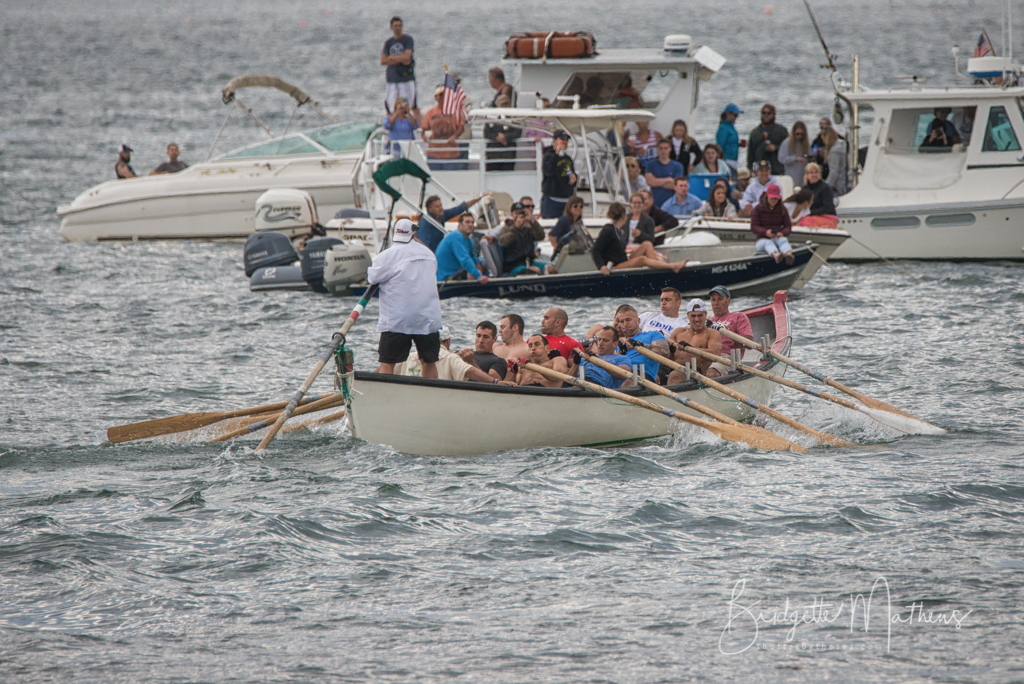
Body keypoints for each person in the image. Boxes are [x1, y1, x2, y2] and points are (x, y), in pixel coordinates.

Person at [366, 218, 442, 378]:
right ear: (414, 233)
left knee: (387, 362)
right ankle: (430, 391)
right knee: (429, 361)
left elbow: (372, 278)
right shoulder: (429, 254)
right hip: (427, 318)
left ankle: (387, 392)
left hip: (398, 320)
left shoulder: (387, 256)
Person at [592, 203, 689, 275]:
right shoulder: (608, 230)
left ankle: (658, 270)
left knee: (647, 244)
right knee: (642, 259)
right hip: (615, 266)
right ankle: (672, 267)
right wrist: (602, 266)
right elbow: (595, 249)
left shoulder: (619, 230)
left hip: (624, 260)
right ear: (623, 215)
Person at [398, 326, 515, 384]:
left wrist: (470, 361)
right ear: (448, 341)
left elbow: (389, 370)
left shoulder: (410, 356)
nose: (481, 340)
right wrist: (495, 382)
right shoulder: (451, 356)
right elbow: (470, 372)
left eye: (485, 337)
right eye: (478, 336)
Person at [587, 304, 669, 383]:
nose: (625, 324)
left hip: (641, 375)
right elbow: (611, 360)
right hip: (616, 374)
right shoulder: (617, 342)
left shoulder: (653, 334)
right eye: (622, 321)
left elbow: (665, 352)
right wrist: (621, 351)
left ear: (638, 321)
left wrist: (639, 344)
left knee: (628, 381)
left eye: (628, 320)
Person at [666, 299, 722, 382]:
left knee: (675, 375)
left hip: (694, 370)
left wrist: (691, 349)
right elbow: (669, 358)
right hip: (671, 367)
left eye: (700, 315)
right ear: (688, 315)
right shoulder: (678, 331)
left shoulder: (712, 333)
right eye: (693, 316)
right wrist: (670, 350)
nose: (696, 319)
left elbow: (716, 354)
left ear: (705, 315)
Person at [707, 285, 753, 378]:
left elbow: (749, 343)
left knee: (711, 373)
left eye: (720, 299)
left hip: (727, 357)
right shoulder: (707, 321)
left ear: (728, 300)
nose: (716, 303)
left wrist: (727, 332)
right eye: (713, 300)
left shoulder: (738, 316)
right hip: (707, 355)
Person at [418, 193, 488, 253]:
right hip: (433, 254)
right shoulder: (425, 223)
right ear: (429, 209)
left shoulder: (441, 215)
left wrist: (480, 198)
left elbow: (460, 208)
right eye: (437, 207)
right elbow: (423, 245)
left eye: (441, 205)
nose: (440, 208)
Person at [483, 67, 520, 171]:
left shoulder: (506, 89)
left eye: (506, 104)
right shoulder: (491, 118)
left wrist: (506, 137)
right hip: (493, 153)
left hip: (507, 153)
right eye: (501, 104)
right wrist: (497, 136)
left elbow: (517, 131)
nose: (504, 107)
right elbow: (486, 132)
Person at [421, 85, 465, 171]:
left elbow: (461, 127)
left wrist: (455, 136)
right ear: (435, 97)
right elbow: (424, 129)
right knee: (433, 177)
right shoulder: (430, 112)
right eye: (440, 95)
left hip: (451, 154)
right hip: (434, 154)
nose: (442, 97)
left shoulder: (454, 110)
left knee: (451, 177)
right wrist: (424, 136)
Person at [436, 213, 490, 282]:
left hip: (457, 273)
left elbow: (473, 258)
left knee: (483, 267)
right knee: (471, 274)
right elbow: (465, 259)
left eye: (472, 222)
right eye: (467, 222)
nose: (470, 225)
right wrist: (479, 276)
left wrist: (480, 268)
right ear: (460, 225)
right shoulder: (455, 237)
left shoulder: (469, 240)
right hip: (447, 278)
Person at [499, 202, 551, 275]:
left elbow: (541, 236)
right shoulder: (506, 229)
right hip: (513, 265)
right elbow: (504, 243)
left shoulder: (528, 228)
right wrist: (516, 227)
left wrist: (532, 221)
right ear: (511, 215)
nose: (519, 216)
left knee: (551, 269)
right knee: (536, 270)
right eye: (516, 213)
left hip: (529, 262)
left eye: (521, 213)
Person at [749, 184, 794, 265]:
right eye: (772, 198)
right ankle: (775, 254)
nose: (774, 200)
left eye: (776, 198)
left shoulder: (782, 209)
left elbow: (788, 226)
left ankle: (788, 254)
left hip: (777, 237)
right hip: (762, 239)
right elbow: (754, 226)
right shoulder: (758, 209)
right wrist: (765, 232)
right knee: (768, 243)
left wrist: (782, 233)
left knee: (783, 240)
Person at [380, 16, 417, 115]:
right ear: (391, 27)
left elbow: (407, 58)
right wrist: (400, 59)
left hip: (406, 78)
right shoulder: (388, 43)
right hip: (392, 79)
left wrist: (391, 58)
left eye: (399, 25)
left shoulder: (407, 40)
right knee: (391, 105)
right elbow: (383, 60)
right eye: (395, 26)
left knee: (409, 105)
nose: (398, 28)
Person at [541, 131, 578, 218]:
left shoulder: (568, 159)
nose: (564, 142)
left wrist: (574, 179)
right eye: (562, 139)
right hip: (552, 200)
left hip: (566, 200)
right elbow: (548, 171)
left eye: (566, 140)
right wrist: (556, 154)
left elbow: (569, 172)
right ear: (554, 141)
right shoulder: (548, 156)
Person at [746, 103, 788, 175]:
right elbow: (750, 152)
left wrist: (776, 147)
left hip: (778, 169)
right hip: (760, 170)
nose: (766, 115)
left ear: (774, 115)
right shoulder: (755, 133)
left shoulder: (781, 130)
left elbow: (788, 148)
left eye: (769, 113)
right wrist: (750, 167)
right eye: (763, 113)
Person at [644, 139, 685, 208]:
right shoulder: (650, 165)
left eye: (665, 148)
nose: (663, 151)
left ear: (670, 149)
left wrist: (656, 182)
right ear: (657, 149)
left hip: (672, 203)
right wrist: (668, 179)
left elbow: (676, 185)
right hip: (656, 203)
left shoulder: (677, 166)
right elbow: (650, 181)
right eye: (661, 148)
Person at [796, 162, 838, 228]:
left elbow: (828, 208)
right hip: (810, 216)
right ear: (807, 175)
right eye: (812, 173)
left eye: (816, 172)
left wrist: (810, 212)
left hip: (826, 217)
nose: (814, 175)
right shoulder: (804, 189)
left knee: (805, 222)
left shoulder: (825, 188)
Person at [777, 121, 810, 189]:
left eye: (802, 134)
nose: (799, 136)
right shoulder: (786, 143)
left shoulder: (806, 144)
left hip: (803, 178)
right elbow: (781, 158)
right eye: (797, 134)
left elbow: (810, 156)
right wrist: (795, 158)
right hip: (791, 177)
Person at [716, 103, 743, 172]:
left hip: (734, 160)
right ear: (728, 114)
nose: (736, 117)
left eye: (737, 115)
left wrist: (739, 144)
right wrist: (722, 161)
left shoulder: (731, 127)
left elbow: (730, 142)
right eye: (735, 115)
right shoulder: (723, 128)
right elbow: (720, 145)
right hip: (727, 160)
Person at [821, 126, 848, 194]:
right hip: (847, 181)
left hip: (840, 185)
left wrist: (824, 187)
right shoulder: (842, 145)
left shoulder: (834, 151)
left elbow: (834, 172)